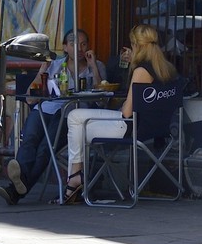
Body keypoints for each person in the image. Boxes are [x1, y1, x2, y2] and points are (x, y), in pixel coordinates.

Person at [60, 24, 177, 205]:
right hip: (155, 128)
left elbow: (126, 112)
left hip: (129, 127)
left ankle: (75, 177)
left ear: (136, 45)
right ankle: (76, 178)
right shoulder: (167, 69)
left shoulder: (140, 71)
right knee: (78, 123)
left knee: (75, 119)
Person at [0, 27, 105, 204]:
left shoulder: (96, 66)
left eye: (83, 44)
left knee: (46, 147)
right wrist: (42, 71)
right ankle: (21, 176)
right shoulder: (54, 65)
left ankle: (16, 190)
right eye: (73, 44)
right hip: (46, 109)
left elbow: (102, 100)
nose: (79, 48)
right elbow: (31, 99)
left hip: (72, 114)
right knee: (31, 138)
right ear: (65, 47)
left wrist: (93, 66)